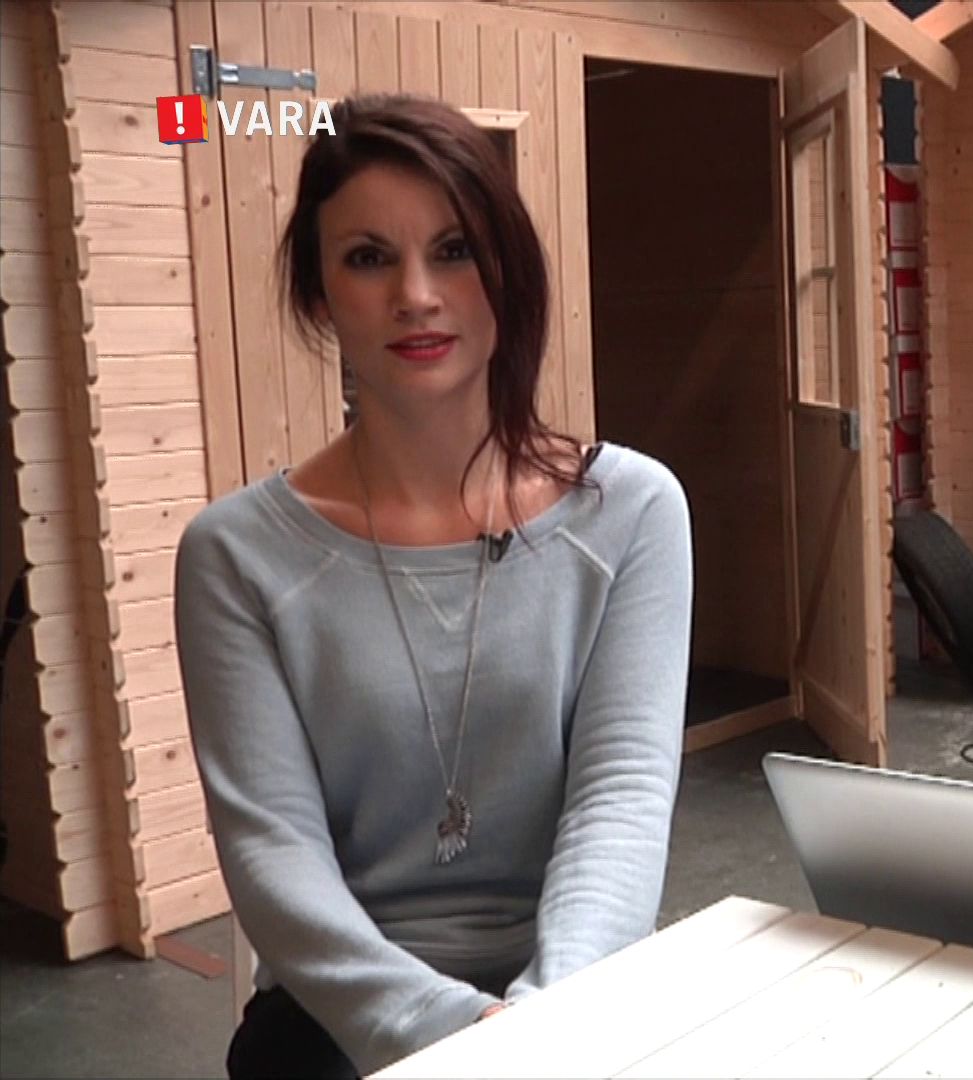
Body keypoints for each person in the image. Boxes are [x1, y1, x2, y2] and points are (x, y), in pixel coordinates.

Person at [175, 94, 693, 1078]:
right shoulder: (236, 555)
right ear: (319, 294)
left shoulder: (630, 512)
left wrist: (538, 1030)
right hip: (343, 1013)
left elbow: (620, 805)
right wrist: (453, 1035)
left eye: (453, 250)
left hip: (578, 989)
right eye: (368, 257)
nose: (416, 294)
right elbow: (273, 854)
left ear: (507, 270)